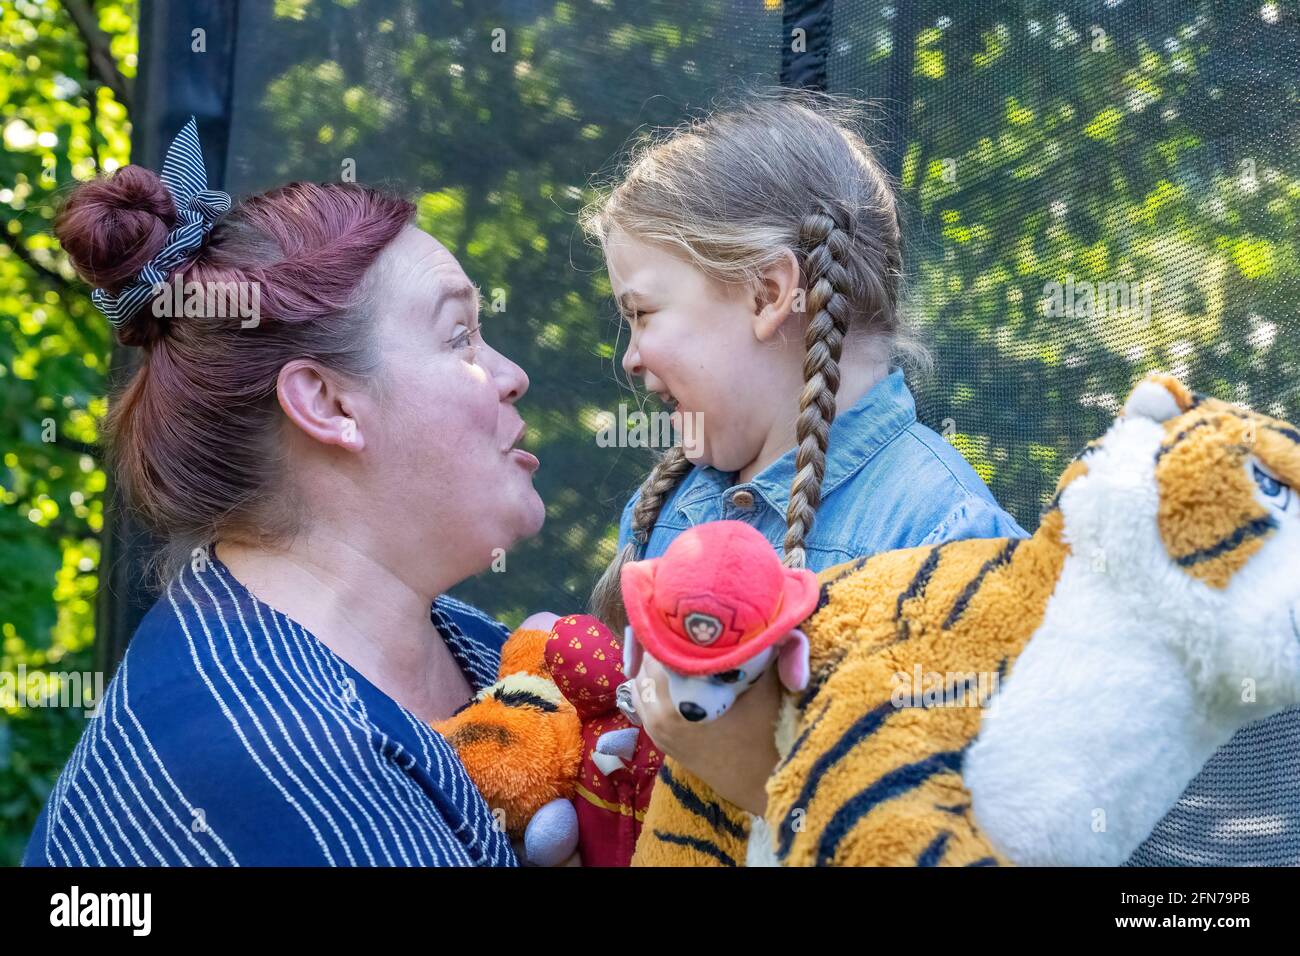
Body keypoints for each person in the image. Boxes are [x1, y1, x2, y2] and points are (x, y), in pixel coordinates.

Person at [23, 120, 541, 866]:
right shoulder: (271, 757)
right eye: (459, 336)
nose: (509, 374)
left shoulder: (462, 644)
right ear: (327, 405)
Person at [580, 92, 1027, 819]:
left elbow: (977, 828)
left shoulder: (944, 537)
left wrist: (748, 773)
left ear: (767, 292)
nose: (629, 357)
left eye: (641, 313)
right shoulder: (662, 509)